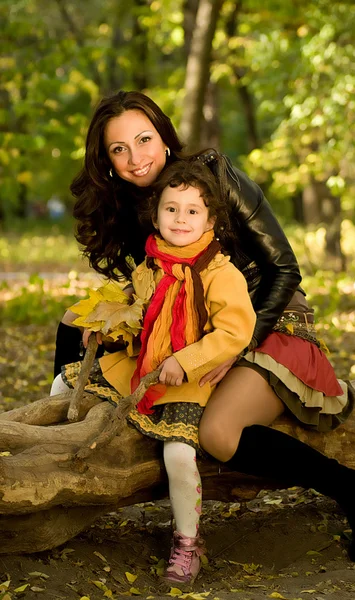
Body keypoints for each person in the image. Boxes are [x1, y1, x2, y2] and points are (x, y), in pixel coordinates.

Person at [53, 90, 355, 567]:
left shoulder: (214, 176)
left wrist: (236, 350)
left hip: (266, 322)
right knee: (73, 322)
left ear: (165, 138)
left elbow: (284, 269)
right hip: (190, 332)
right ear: (106, 160)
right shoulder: (129, 204)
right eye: (120, 149)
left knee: (217, 433)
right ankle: (65, 445)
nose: (137, 158)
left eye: (144, 139)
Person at [51, 159, 257, 585]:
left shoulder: (221, 273)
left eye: (192, 210)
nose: (181, 219)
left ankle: (188, 541)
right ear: (156, 214)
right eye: (171, 209)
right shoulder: (149, 266)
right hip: (143, 365)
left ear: (211, 220)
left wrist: (186, 360)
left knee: (179, 455)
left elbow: (236, 331)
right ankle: (54, 468)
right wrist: (108, 333)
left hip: (187, 377)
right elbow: (137, 317)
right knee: (64, 382)